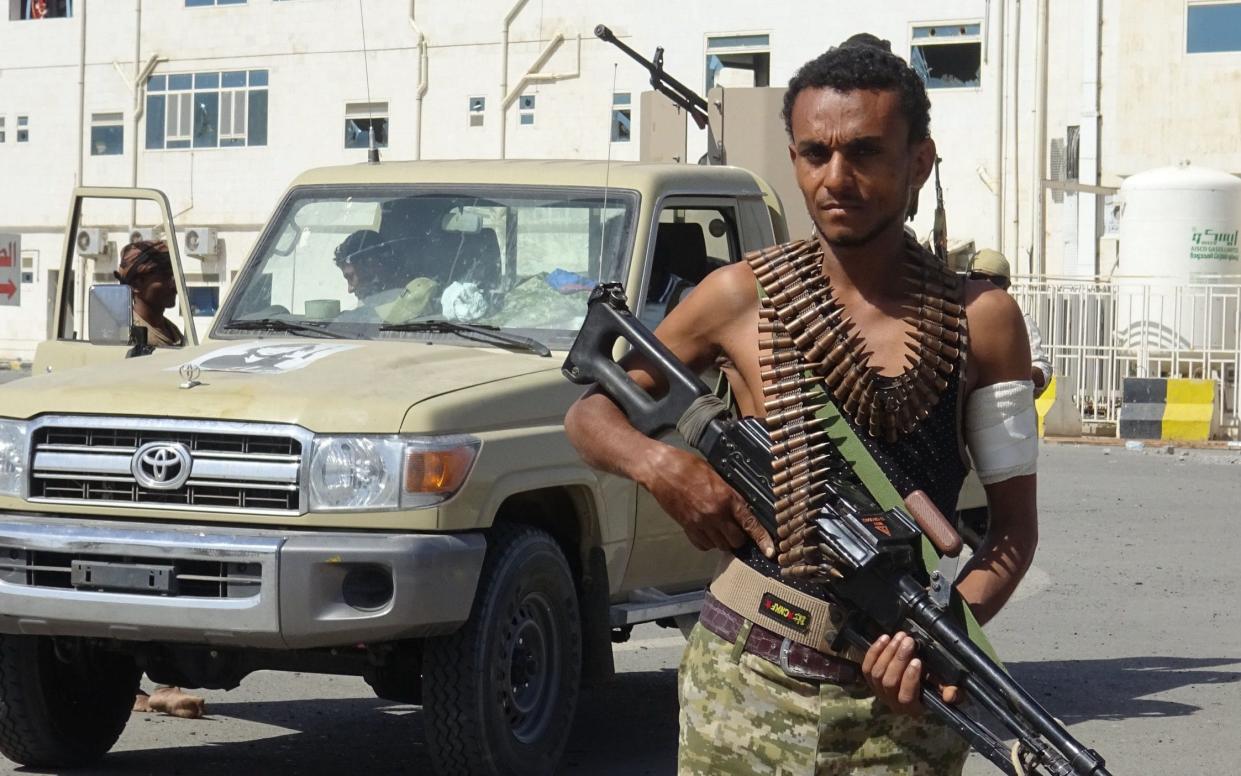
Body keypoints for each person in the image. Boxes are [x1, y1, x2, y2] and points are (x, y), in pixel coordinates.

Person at [565, 36, 1040, 775]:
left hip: (899, 703)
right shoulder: (739, 295)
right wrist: (665, 467)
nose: (835, 178)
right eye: (813, 153)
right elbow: (590, 414)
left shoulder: (981, 318)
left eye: (864, 153)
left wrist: (941, 631)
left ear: (918, 162)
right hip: (744, 679)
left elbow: (1012, 533)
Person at [969, 249, 1053, 398]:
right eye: (979, 278)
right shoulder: (957, 317)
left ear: (1006, 286)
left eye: (996, 280)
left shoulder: (1020, 319)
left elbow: (1042, 368)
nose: (987, 286)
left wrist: (1016, 378)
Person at [114, 240, 184, 348]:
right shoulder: (130, 336)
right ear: (136, 285)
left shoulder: (171, 330)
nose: (175, 286)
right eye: (165, 276)